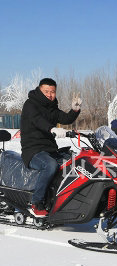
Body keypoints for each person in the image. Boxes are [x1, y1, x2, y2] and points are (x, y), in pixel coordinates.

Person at [20, 78, 82, 215]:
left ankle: (64, 200)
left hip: (50, 150)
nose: (49, 95)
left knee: (74, 163)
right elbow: (37, 120)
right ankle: (36, 203)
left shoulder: (52, 108)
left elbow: (66, 119)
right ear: (39, 90)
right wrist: (52, 129)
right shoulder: (30, 104)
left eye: (52, 92)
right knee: (50, 165)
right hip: (33, 150)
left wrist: (74, 110)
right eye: (46, 91)